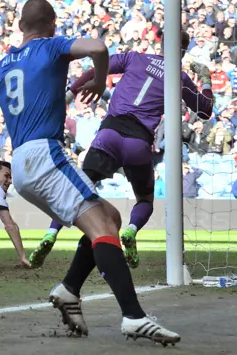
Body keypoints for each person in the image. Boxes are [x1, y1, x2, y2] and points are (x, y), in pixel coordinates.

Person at [0, 0, 180, 344]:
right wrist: (99, 83)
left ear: (20, 26)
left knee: (109, 217)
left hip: (22, 164)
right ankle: (133, 316)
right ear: (52, 24)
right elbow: (99, 47)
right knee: (104, 226)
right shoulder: (52, 47)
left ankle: (70, 290)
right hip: (46, 154)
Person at [29, 31, 214, 269]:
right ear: (184, 51)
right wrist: (206, 79)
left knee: (77, 189)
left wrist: (69, 94)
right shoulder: (180, 78)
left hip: (110, 134)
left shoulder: (134, 58)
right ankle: (131, 230)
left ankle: (50, 234)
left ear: (161, 43)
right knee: (145, 199)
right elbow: (205, 110)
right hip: (138, 142)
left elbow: (96, 70)